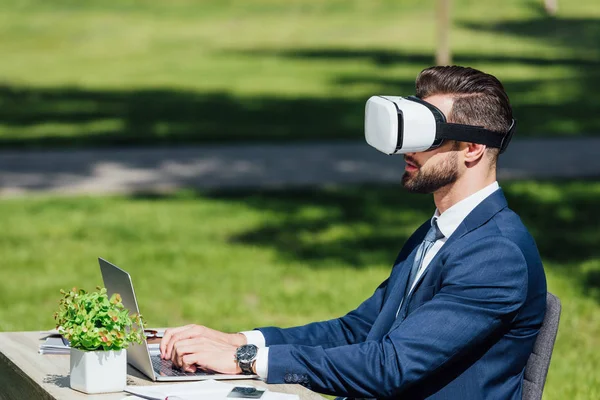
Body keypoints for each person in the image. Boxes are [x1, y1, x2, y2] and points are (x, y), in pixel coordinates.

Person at [159, 66, 547, 399]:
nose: (405, 150)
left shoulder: (496, 254)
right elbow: (358, 330)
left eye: (426, 134)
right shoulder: (438, 233)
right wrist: (241, 342)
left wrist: (245, 364)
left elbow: (391, 366)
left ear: (473, 148)